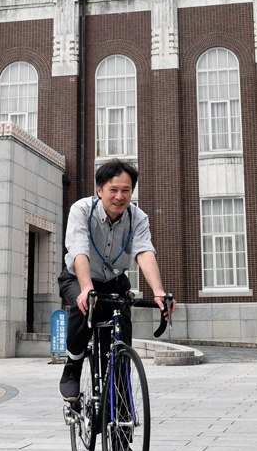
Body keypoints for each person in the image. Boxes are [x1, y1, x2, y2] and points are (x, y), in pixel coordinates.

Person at [58, 159, 176, 406]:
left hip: (114, 282)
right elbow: (79, 249)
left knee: (120, 353)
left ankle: (121, 435)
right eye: (113, 190)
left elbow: (144, 251)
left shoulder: (137, 217)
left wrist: (158, 292)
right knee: (87, 305)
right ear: (99, 190)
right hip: (79, 277)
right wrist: (87, 288)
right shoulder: (81, 210)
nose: (120, 196)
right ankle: (74, 363)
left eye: (126, 190)